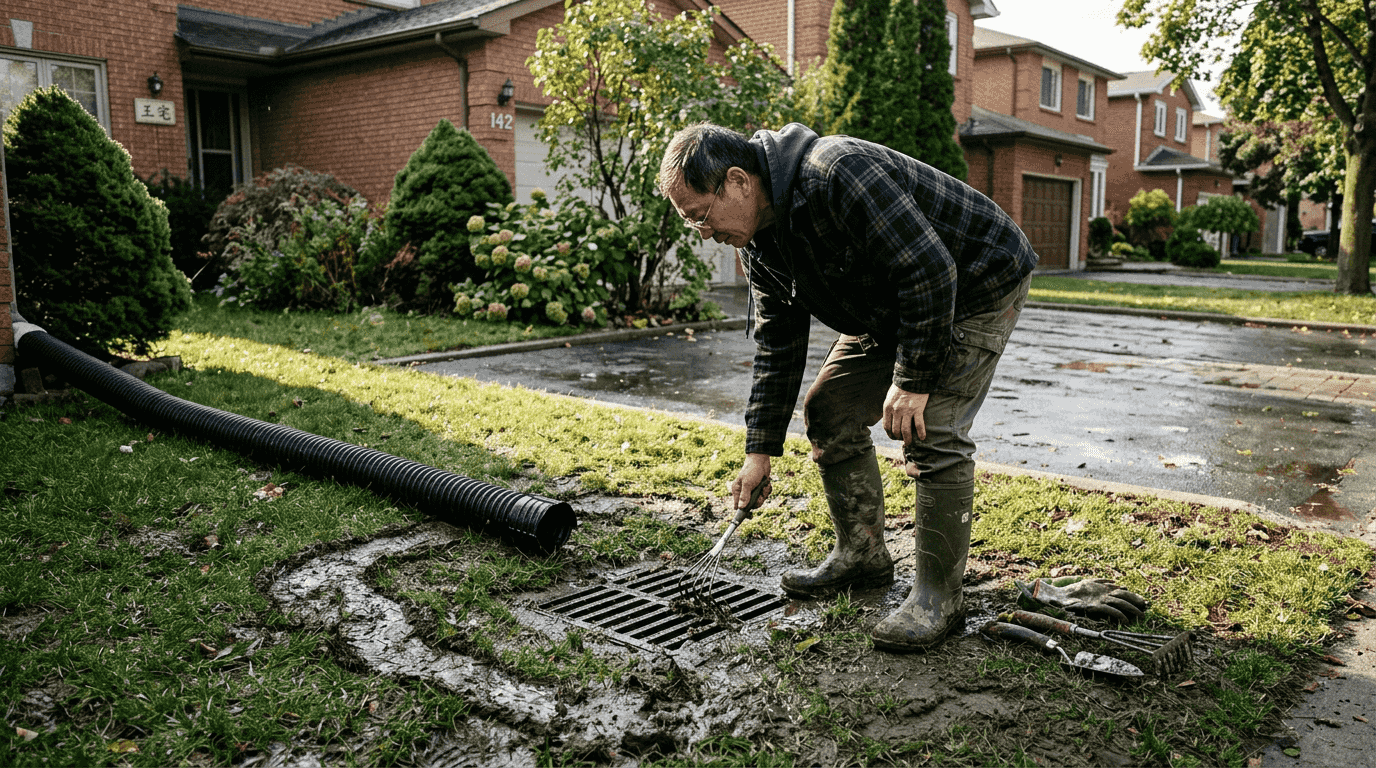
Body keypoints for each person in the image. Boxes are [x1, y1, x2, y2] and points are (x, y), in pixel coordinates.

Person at [656, 122, 1038, 651]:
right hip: (892, 302)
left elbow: (929, 270)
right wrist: (758, 451)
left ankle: (938, 598)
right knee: (829, 407)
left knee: (934, 429)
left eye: (700, 215)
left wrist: (913, 380)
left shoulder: (836, 173)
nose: (702, 232)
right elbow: (778, 345)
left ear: (738, 181)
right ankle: (861, 555)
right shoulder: (761, 243)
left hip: (975, 279)